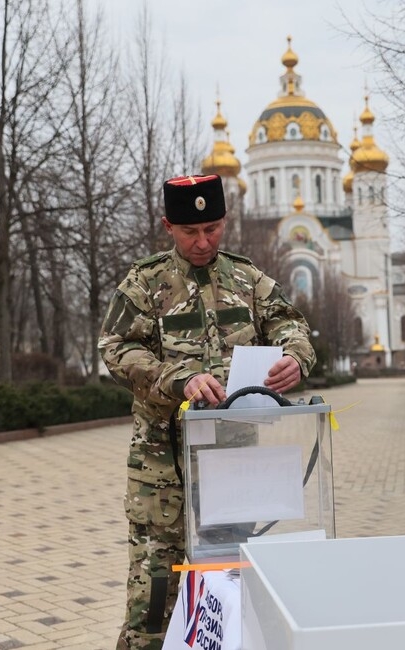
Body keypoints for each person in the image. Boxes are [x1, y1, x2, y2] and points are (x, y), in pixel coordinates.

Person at [98, 174, 316, 650]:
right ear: (168, 227)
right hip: (163, 473)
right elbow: (116, 349)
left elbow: (291, 323)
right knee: (153, 605)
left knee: (228, 594)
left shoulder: (247, 279)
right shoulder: (145, 283)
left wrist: (295, 356)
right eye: (190, 232)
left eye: (212, 229)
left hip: (232, 470)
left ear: (224, 222)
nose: (203, 242)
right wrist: (177, 379)